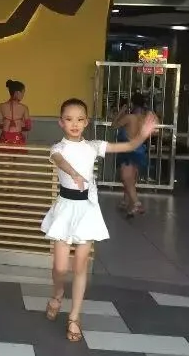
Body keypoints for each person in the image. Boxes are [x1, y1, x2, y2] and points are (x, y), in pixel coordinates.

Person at [42, 98, 158, 342]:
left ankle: (75, 316)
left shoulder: (93, 146)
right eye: (69, 119)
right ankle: (57, 294)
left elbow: (128, 146)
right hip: (65, 209)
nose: (75, 124)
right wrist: (73, 173)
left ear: (86, 122)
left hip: (86, 210)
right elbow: (60, 161)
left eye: (79, 119)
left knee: (80, 265)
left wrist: (143, 135)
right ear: (61, 123)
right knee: (60, 267)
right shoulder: (57, 148)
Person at [112, 92, 150, 217]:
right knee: (131, 179)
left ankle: (137, 203)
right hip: (140, 150)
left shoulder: (130, 117)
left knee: (126, 178)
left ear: (132, 104)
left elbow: (113, 125)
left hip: (128, 150)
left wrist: (121, 111)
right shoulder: (144, 118)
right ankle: (127, 203)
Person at [0, 79, 31, 152]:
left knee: (4, 158)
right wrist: (20, 126)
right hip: (18, 139)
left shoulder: (1, 106)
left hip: (4, 138)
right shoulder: (24, 108)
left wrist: (2, 126)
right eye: (23, 93)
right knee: (18, 158)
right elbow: (28, 127)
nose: (23, 95)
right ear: (17, 93)